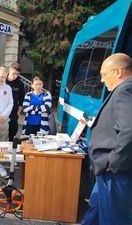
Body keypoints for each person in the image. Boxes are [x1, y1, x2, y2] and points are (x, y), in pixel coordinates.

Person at [82, 53, 132, 225]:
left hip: (115, 172)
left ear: (118, 72)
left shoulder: (126, 89)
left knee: (112, 219)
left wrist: (114, 162)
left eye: (104, 74)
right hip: (107, 170)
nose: (102, 80)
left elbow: (129, 129)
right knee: (95, 211)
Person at [6, 62, 25, 141]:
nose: (15, 76)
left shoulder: (19, 83)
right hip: (1, 110)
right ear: (9, 70)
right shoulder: (3, 80)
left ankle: (10, 149)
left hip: (13, 112)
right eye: (14, 73)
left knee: (13, 130)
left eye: (17, 74)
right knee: (0, 133)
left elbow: (21, 99)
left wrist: (18, 112)